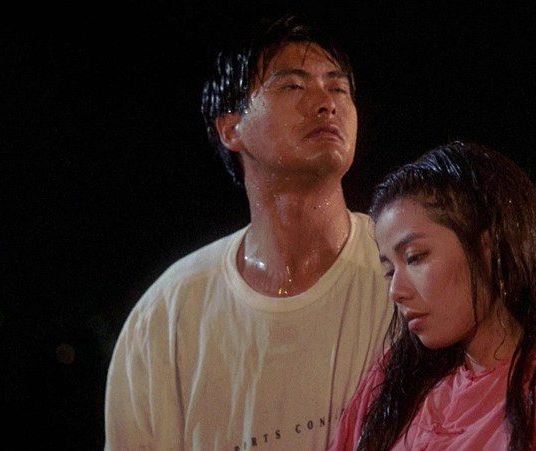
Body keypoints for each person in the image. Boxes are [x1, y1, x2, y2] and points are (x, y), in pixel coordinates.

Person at [104, 14, 392, 450]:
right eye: (292, 85)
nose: (326, 103)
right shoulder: (167, 314)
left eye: (338, 89)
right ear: (231, 128)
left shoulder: (406, 274)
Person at [329, 141, 536, 450]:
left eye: (415, 257)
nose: (396, 291)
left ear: (487, 248)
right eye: (389, 270)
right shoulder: (393, 385)